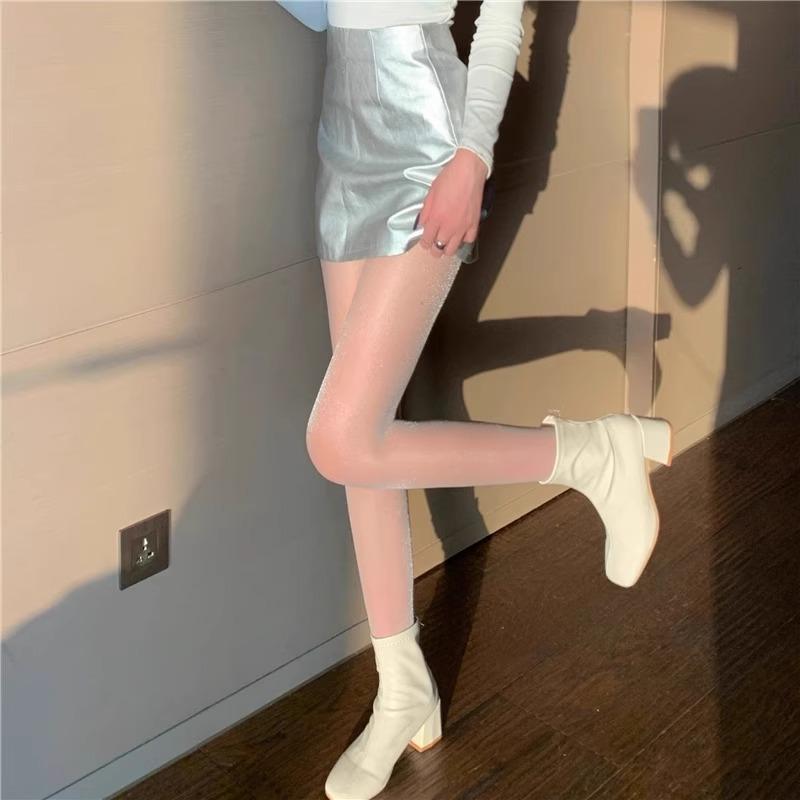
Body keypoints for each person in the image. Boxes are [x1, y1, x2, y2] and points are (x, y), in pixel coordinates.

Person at [293, 2, 675, 798]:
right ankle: (403, 689)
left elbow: (506, 25)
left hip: (423, 131)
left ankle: (587, 453)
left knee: (340, 440)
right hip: (342, 126)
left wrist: (472, 156)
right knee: (366, 451)